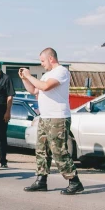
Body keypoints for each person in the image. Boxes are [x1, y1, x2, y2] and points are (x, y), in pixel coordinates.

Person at [19, 48, 84, 195]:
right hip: (45, 117)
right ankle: (41, 180)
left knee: (58, 150)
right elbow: (34, 91)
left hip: (58, 117)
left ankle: (74, 181)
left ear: (51, 58)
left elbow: (45, 87)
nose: (42, 64)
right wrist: (25, 78)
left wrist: (30, 75)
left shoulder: (61, 71)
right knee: (42, 150)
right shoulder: (47, 75)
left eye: (42, 61)